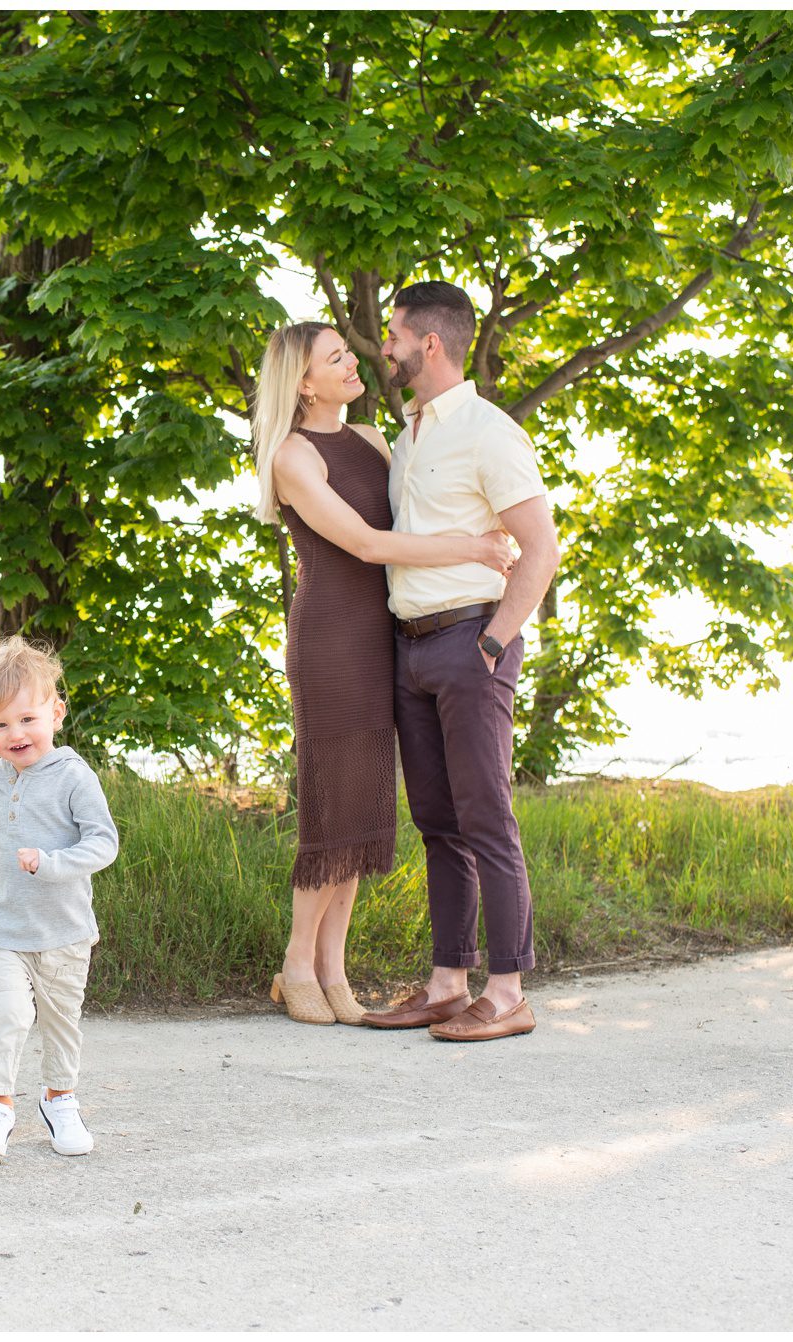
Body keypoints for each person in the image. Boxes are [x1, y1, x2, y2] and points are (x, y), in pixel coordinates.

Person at [252, 322, 515, 1026]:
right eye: (333, 358)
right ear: (304, 383)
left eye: (346, 351)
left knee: (367, 807)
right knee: (332, 801)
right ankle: (297, 962)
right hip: (333, 640)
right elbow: (368, 543)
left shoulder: (371, 440)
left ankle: (335, 970)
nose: (351, 361)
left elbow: (425, 505)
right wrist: (474, 547)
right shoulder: (291, 456)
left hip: (387, 636)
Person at [359, 280, 560, 1042]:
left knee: (486, 817)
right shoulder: (410, 438)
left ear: (428, 343)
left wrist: (493, 643)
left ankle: (507, 991)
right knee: (438, 822)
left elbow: (539, 549)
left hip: (469, 642)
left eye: (394, 334)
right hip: (409, 647)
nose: (386, 347)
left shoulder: (488, 431)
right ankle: (448, 982)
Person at [0, 637, 120, 1157]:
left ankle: (60, 1101)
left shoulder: (74, 776)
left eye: (27, 719)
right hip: (6, 927)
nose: (15, 734)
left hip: (65, 930)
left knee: (59, 1022)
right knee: (5, 1015)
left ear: (56, 712)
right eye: (0, 724)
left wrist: (52, 865)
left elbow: (103, 843)